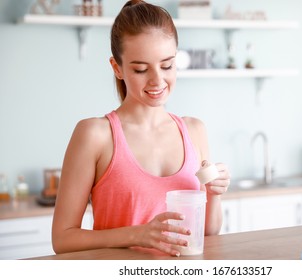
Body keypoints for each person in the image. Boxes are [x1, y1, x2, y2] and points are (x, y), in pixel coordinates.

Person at [52, 0, 230, 257]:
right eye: (141, 69)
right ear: (117, 68)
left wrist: (214, 194)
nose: (157, 80)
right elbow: (62, 238)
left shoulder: (195, 130)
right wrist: (138, 234)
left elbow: (208, 233)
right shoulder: (95, 135)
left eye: (167, 65)